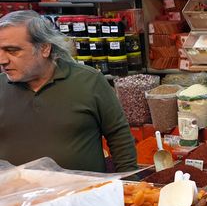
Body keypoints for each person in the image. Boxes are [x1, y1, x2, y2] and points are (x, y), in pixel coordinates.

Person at [0, 10, 137, 173]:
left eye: (13, 50)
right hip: (15, 196)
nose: (3, 60)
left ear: (44, 48)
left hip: (84, 195)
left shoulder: (89, 81)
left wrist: (129, 182)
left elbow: (119, 137)